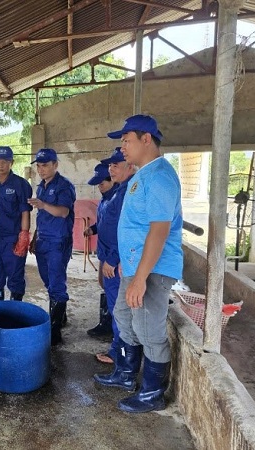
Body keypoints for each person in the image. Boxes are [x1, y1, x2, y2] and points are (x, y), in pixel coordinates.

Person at [94, 115, 183, 414]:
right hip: (135, 267)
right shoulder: (142, 176)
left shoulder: (159, 177)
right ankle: (125, 374)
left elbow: (159, 230)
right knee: (122, 314)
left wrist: (141, 277)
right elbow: (136, 226)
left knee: (148, 329)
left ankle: (152, 394)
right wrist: (128, 262)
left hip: (153, 270)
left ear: (146, 139)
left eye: (126, 140)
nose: (122, 147)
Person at [90, 149, 136, 365]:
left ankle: (120, 356)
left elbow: (127, 230)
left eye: (115, 165)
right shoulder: (117, 193)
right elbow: (107, 225)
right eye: (110, 166)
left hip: (116, 261)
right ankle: (119, 351)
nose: (111, 169)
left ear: (129, 165)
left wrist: (112, 258)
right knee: (116, 307)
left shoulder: (126, 193)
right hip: (109, 256)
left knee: (120, 310)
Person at [28, 148, 76, 346]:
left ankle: (54, 331)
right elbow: (42, 216)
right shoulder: (41, 186)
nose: (41, 169)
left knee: (56, 284)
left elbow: (63, 212)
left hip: (58, 241)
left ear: (55, 165)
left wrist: (43, 204)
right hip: (43, 240)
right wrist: (35, 237)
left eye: (45, 165)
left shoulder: (64, 186)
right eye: (38, 166)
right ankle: (60, 315)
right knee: (47, 280)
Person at [0, 146, 33, 301]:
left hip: (13, 238)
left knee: (15, 277)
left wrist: (24, 235)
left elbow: (25, 211)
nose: (1, 165)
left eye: (5, 161)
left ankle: (15, 308)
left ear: (12, 162)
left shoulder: (21, 184)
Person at [84, 162, 116, 340]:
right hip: (104, 251)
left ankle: (113, 330)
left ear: (112, 180)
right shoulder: (105, 199)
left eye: (102, 183)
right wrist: (93, 229)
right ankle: (106, 322)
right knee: (104, 285)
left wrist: (113, 259)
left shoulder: (117, 199)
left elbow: (120, 231)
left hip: (113, 254)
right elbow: (104, 223)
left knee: (114, 292)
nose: (99, 187)